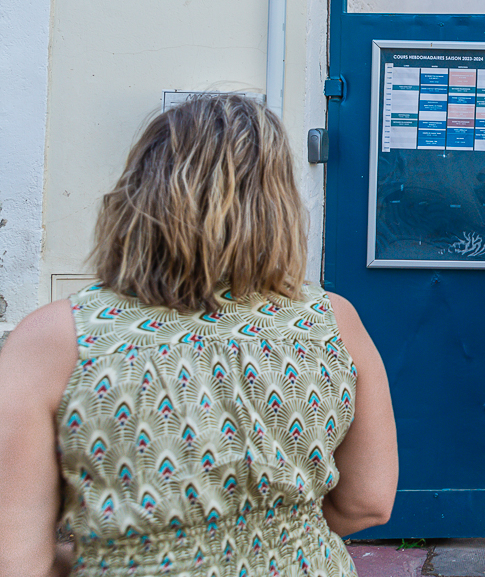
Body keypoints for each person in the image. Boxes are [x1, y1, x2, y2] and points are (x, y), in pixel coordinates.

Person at [0, 94, 397, 577]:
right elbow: (368, 504)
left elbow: (16, 560)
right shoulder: (332, 322)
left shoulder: (58, 340)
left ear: (139, 195)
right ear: (279, 206)